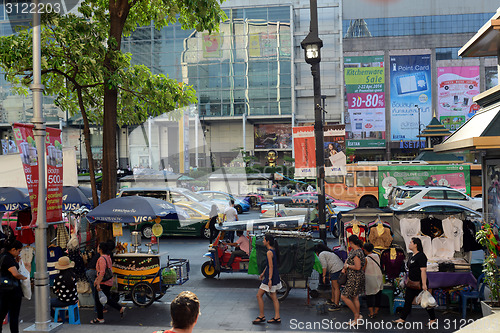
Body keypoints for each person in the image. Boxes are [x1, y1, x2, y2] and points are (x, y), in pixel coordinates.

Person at [393, 237, 436, 326]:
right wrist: (407, 279)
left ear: (416, 245)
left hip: (419, 283)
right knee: (408, 301)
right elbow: (411, 269)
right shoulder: (412, 256)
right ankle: (402, 318)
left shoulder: (421, 256)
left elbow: (423, 271)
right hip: (411, 283)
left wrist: (424, 284)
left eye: (411, 243)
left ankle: (433, 319)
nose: (409, 244)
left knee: (426, 302)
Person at [91, 242, 124, 324]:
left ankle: (100, 318)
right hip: (108, 281)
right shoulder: (108, 257)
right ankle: (119, 308)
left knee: (99, 300)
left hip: (103, 282)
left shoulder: (101, 259)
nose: (97, 248)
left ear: (101, 249)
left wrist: (98, 283)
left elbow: (101, 272)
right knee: (106, 299)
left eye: (98, 247)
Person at [0, 239, 28, 333]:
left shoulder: (3, 256)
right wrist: (24, 278)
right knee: (14, 315)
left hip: (3, 289)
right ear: (13, 249)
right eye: (19, 251)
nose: (19, 253)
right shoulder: (8, 259)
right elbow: (15, 274)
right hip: (12, 291)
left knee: (2, 312)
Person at [253, 234, 281, 325]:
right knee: (274, 297)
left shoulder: (269, 252)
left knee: (259, 295)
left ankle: (261, 316)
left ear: (268, 241)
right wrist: (263, 273)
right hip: (274, 276)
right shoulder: (273, 250)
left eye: (264, 240)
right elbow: (269, 265)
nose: (263, 241)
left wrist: (269, 279)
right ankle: (277, 317)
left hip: (270, 277)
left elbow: (271, 266)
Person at [340, 235, 365, 326]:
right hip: (354, 277)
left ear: (350, 243)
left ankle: (356, 315)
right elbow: (348, 259)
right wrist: (345, 266)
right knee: (355, 297)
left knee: (344, 296)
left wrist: (347, 266)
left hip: (354, 278)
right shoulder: (355, 251)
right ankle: (356, 319)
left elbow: (357, 267)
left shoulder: (356, 253)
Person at [314, 244, 343, 311]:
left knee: (336, 287)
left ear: (317, 252)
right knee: (333, 286)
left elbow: (324, 266)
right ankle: (333, 300)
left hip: (336, 269)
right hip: (337, 268)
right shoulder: (326, 253)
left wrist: (324, 276)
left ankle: (336, 304)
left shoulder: (321, 254)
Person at [363, 242, 383, 319]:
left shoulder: (366, 259)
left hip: (370, 277)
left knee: (369, 295)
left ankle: (371, 313)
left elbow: (363, 269)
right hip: (379, 276)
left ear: (364, 250)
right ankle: (376, 311)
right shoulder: (377, 256)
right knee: (378, 294)